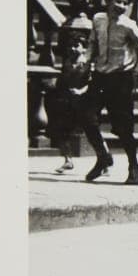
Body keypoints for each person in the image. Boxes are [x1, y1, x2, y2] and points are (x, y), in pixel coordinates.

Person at [86, 0, 138, 184]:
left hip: (121, 79)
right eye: (118, 1)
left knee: (123, 127)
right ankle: (103, 157)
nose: (121, 6)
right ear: (108, 1)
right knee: (87, 117)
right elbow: (92, 42)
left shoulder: (129, 26)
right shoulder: (98, 19)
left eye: (125, 3)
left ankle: (133, 166)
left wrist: (137, 71)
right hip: (100, 76)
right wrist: (86, 61)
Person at [48, 31, 112, 176]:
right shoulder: (67, 62)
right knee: (63, 131)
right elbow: (63, 80)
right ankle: (67, 160)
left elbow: (93, 84)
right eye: (70, 46)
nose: (72, 49)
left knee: (94, 133)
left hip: (86, 102)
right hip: (69, 102)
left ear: (84, 48)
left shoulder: (89, 63)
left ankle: (105, 162)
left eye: (76, 45)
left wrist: (81, 91)